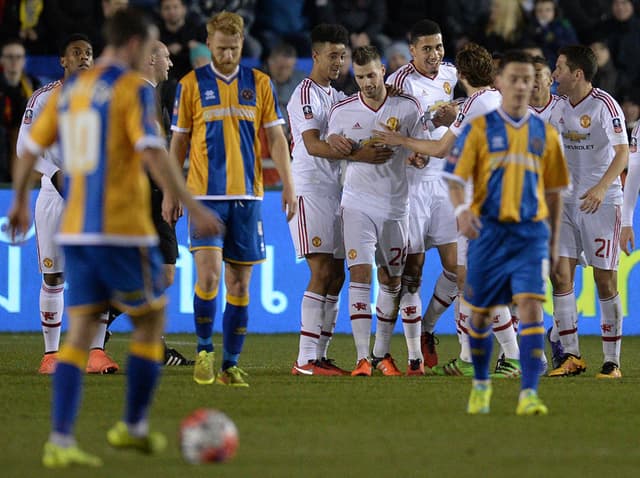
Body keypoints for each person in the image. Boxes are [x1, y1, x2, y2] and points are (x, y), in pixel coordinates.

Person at [7, 8, 222, 467]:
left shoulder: (70, 92)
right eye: (147, 46)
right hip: (119, 224)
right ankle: (133, 425)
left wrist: (21, 201)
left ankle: (60, 440)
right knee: (150, 319)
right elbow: (152, 152)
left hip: (78, 223)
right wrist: (188, 198)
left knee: (81, 327)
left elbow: (27, 146)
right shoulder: (130, 89)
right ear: (132, 44)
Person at [375, 42, 522, 378]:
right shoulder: (495, 100)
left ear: (464, 75)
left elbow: (441, 148)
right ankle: (472, 359)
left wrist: (402, 142)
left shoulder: (474, 105)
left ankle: (513, 357)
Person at [166, 11, 296, 387]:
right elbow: (178, 142)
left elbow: (275, 138)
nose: (227, 55)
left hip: (247, 196)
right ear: (209, 44)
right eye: (221, 48)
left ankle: (230, 364)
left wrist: (288, 183)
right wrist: (174, 192)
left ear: (242, 45)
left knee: (240, 285)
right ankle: (204, 351)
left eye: (234, 48)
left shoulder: (260, 84)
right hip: (204, 196)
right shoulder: (190, 84)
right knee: (208, 278)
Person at [447, 50, 568, 415]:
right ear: (499, 82)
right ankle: (482, 384)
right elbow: (454, 177)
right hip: (488, 232)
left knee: (530, 308)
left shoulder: (546, 134)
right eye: (512, 78)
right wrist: (461, 210)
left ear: (534, 85)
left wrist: (554, 241)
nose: (519, 85)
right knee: (481, 312)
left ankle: (528, 393)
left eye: (526, 79)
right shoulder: (478, 129)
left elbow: (554, 193)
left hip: (530, 234)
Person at [16, 33, 119, 375]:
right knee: (55, 276)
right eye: (76, 52)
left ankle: (95, 353)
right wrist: (54, 173)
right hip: (54, 197)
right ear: (63, 61)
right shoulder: (45, 98)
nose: (84, 57)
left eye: (89, 52)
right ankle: (51, 356)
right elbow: (23, 148)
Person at [327, 45, 427, 376]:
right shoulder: (342, 110)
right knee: (359, 273)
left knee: (392, 279)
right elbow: (331, 150)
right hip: (356, 201)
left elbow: (422, 150)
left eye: (371, 74)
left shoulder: (408, 106)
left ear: (383, 70)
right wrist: (343, 152)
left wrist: (416, 154)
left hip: (397, 205)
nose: (367, 82)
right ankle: (361, 359)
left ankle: (382, 352)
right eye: (359, 77)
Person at [548, 44, 629, 378]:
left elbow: (622, 153)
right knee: (560, 274)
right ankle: (571, 356)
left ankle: (612, 361)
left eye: (559, 68)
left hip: (601, 202)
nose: (554, 74)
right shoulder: (559, 109)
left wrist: (599, 187)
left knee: (604, 278)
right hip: (566, 203)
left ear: (577, 74)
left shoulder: (605, 106)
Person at [385, 19, 459, 369]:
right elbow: (387, 129)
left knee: (459, 268)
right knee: (411, 270)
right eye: (427, 48)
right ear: (411, 50)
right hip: (411, 186)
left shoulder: (451, 74)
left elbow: (470, 113)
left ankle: (428, 328)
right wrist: (406, 152)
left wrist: (454, 112)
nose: (435, 54)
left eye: (439, 47)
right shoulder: (397, 83)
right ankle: (414, 355)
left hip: (443, 182)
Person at [0, 38, 40, 182]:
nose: (14, 61)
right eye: (9, 57)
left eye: (18, 57)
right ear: (2, 60)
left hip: (23, 134)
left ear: (24, 61)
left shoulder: (33, 85)